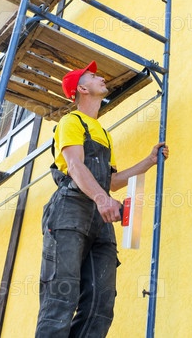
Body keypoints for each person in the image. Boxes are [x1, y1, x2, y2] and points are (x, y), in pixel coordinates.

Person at [36, 61, 168, 338]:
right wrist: (102, 199)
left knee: (101, 304)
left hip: (99, 219)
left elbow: (111, 182)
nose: (101, 78)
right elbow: (75, 166)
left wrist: (149, 161)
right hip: (70, 210)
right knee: (61, 297)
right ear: (82, 89)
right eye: (93, 76)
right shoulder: (70, 122)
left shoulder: (104, 135)